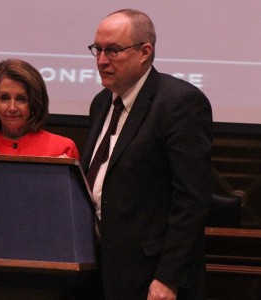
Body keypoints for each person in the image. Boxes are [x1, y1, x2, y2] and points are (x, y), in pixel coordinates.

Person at [80, 9, 213, 300]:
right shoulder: (101, 103)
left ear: (145, 52)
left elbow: (192, 200)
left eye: (113, 50)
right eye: (97, 50)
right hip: (97, 271)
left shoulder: (180, 103)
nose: (101, 60)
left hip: (150, 278)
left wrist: (168, 278)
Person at [0, 59, 79, 159]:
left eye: (21, 99)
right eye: (4, 98)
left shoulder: (62, 149)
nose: (12, 107)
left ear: (34, 103)